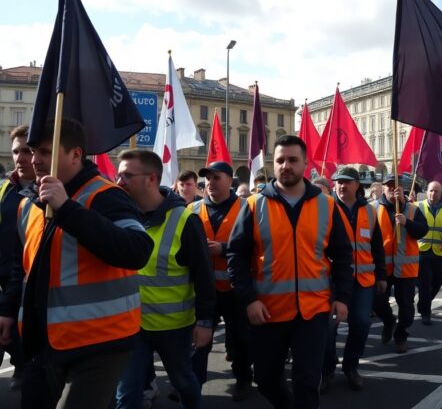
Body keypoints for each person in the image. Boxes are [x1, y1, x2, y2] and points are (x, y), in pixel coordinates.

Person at [0, 119, 153, 408]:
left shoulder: (105, 195)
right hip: (44, 344)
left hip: (99, 343)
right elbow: (22, 268)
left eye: (45, 151)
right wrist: (8, 311)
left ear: (75, 155)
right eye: (32, 151)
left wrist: (67, 209)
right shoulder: (27, 203)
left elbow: (137, 250)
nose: (35, 160)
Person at [227, 135, 353, 409]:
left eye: (293, 160)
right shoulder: (254, 205)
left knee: (306, 382)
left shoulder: (326, 205)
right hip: (268, 310)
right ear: (273, 163)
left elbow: (343, 255)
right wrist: (249, 300)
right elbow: (236, 256)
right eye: (280, 160)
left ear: (305, 163)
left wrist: (342, 297)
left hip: (313, 311)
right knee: (266, 379)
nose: (286, 165)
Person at [114, 149, 215, 409]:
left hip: (174, 329)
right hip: (131, 325)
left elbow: (204, 276)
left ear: (151, 179)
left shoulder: (186, 220)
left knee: (184, 382)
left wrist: (205, 322)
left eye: (126, 175)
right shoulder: (120, 217)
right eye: (118, 175)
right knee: (126, 394)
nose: (118, 182)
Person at [189, 161, 253, 401]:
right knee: (199, 339)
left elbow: (256, 245)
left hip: (237, 289)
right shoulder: (193, 209)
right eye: (208, 178)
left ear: (229, 180)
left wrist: (224, 249)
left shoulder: (247, 207)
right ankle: (193, 385)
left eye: (216, 178)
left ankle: (243, 379)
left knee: (241, 339)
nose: (210, 183)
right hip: (204, 291)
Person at [320, 167, 387, 393]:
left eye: (347, 181)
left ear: (357, 185)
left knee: (361, 323)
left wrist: (381, 275)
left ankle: (351, 366)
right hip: (333, 280)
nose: (341, 185)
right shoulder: (326, 208)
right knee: (328, 328)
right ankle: (327, 369)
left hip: (363, 280)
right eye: (338, 181)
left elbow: (377, 246)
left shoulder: (369, 211)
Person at [372, 175, 428, 354]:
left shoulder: (412, 209)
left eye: (395, 186)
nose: (392, 189)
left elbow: (422, 231)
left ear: (402, 189)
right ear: (382, 188)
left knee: (407, 307)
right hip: (381, 268)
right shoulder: (372, 208)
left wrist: (407, 223)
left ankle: (401, 335)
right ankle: (389, 322)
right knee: (377, 303)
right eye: (388, 185)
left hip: (406, 269)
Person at [0, 125, 35, 391]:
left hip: (30, 279)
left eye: (26, 151)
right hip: (6, 278)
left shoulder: (50, 190)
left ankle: (24, 368)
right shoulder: (6, 189)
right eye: (15, 152)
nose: (20, 158)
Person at [416, 181, 442, 325]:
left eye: (437, 191)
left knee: (438, 281)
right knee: (424, 283)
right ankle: (425, 313)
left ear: (441, 193)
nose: (433, 194)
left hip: (439, 251)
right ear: (427, 192)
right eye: (431, 190)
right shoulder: (417, 206)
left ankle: (423, 303)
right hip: (421, 250)